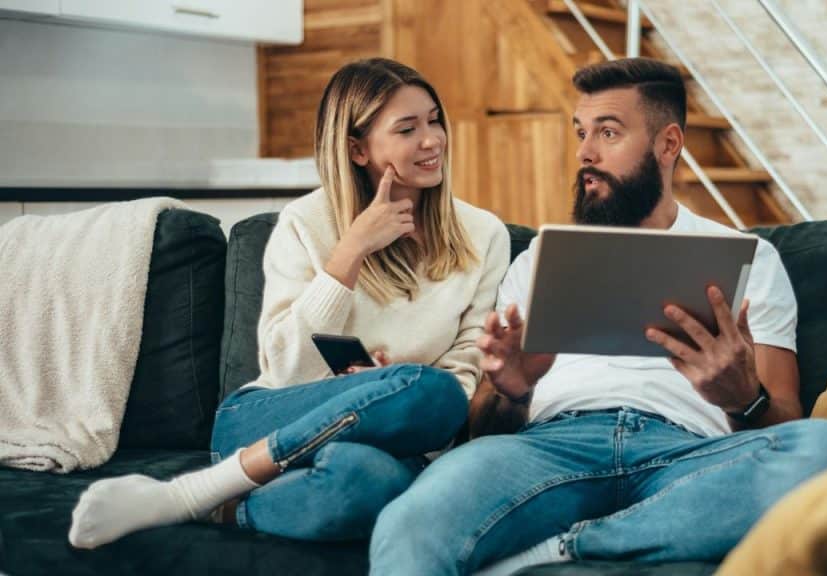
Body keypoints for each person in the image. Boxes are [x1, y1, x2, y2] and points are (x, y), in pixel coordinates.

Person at [368, 57, 827, 575]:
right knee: (409, 524)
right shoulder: (536, 261)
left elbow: (786, 419)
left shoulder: (747, 259)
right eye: (581, 132)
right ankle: (612, 538)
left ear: (668, 144)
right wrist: (512, 390)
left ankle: (570, 547)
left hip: (688, 458)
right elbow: (480, 430)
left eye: (608, 132)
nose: (585, 152)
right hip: (551, 449)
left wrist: (744, 399)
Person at [67, 58, 510, 549]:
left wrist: (381, 387)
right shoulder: (305, 222)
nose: (432, 140)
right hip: (265, 420)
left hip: (392, 434)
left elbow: (466, 367)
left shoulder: (482, 234)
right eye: (407, 129)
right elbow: (287, 365)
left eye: (434, 120)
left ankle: (220, 505)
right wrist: (350, 252)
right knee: (427, 391)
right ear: (357, 149)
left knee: (392, 453)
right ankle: (193, 491)